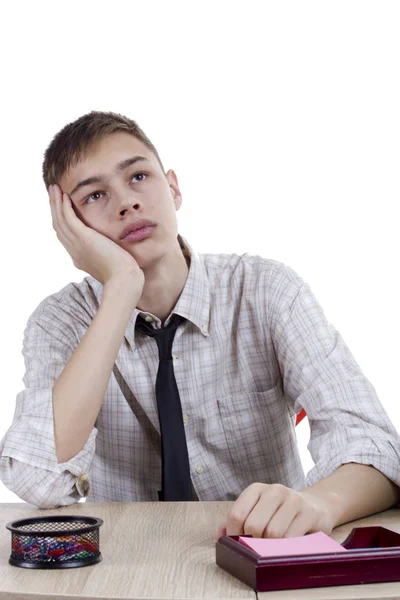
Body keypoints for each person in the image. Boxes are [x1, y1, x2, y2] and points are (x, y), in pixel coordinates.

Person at [1, 111, 400, 541]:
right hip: (127, 564)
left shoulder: (266, 291)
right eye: (94, 196)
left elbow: (375, 445)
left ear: (172, 187)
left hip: (264, 556)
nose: (125, 202)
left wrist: (321, 502)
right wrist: (120, 287)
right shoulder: (59, 321)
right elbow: (39, 482)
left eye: (137, 176)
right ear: (70, 227)